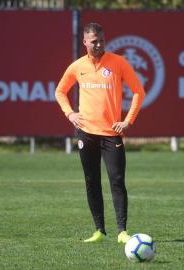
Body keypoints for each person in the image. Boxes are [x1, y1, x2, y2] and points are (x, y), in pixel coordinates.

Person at [55, 23, 146, 244]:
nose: (98, 44)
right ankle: (99, 230)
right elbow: (60, 91)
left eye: (102, 40)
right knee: (91, 181)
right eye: (94, 41)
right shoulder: (77, 66)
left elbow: (138, 91)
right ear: (85, 42)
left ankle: (122, 231)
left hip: (111, 134)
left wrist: (127, 121)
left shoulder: (118, 62)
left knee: (117, 181)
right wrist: (70, 114)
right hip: (86, 134)